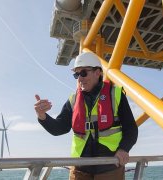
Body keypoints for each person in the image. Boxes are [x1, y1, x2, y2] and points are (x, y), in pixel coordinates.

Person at [34, 51, 138, 180]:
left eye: (83, 73)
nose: (80, 78)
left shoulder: (116, 94)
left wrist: (124, 149)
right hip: (79, 169)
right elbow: (59, 129)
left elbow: (131, 129)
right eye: (76, 74)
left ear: (97, 72)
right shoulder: (73, 100)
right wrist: (42, 115)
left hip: (109, 168)